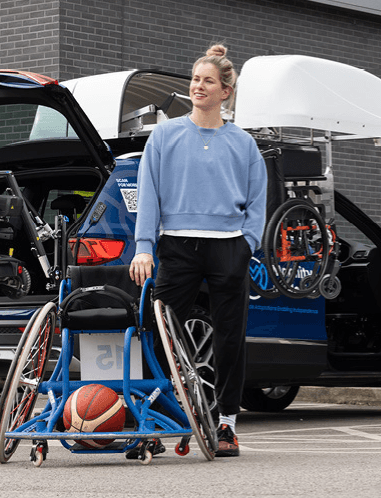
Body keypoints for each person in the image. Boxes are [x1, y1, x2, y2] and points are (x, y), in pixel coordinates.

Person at [129, 43, 267, 457]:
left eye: (208, 80)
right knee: (159, 335)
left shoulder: (243, 143)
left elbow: (258, 201)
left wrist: (247, 244)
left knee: (230, 339)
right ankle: (153, 422)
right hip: (178, 246)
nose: (198, 86)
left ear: (225, 91)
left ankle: (227, 424)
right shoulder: (165, 135)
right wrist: (144, 247)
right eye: (194, 79)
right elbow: (148, 193)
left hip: (229, 248)